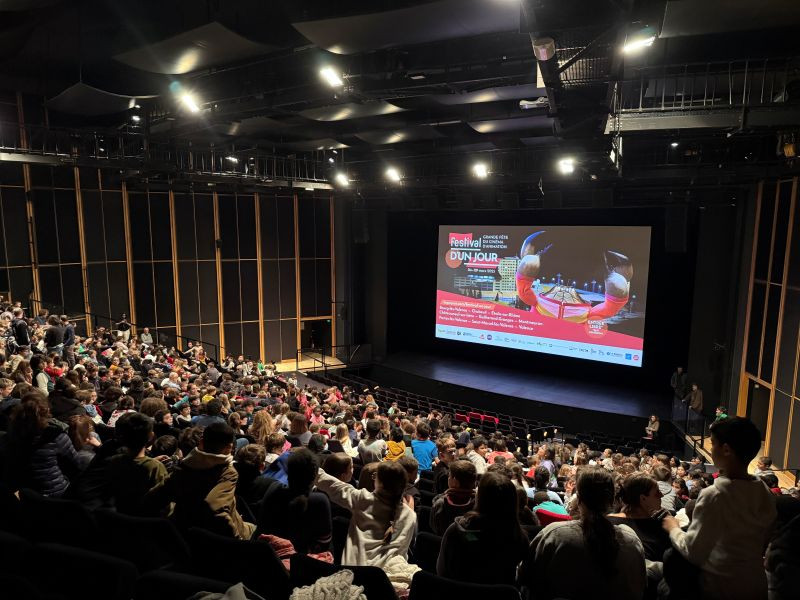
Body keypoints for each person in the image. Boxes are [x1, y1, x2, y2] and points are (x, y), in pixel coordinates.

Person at [662, 417, 777, 600]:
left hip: (721, 588)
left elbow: (693, 552)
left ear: (726, 450)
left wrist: (672, 527)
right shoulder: (765, 493)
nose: (710, 448)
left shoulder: (714, 495)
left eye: (713, 443)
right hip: (756, 584)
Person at [521, 467, 646, 600]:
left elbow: (526, 577)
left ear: (579, 500)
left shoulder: (554, 534)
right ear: (612, 500)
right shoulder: (632, 540)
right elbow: (640, 587)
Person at [148, 421, 256, 539]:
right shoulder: (227, 472)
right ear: (229, 447)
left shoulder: (185, 465)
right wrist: (236, 539)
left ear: (202, 442)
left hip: (183, 531)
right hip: (214, 536)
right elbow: (214, 507)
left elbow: (155, 496)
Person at [314, 459, 417, 571]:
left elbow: (330, 484)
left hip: (354, 573)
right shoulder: (410, 515)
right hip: (387, 579)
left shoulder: (362, 499)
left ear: (379, 483)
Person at [437, 471, 528, 586]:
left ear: (480, 497)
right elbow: (522, 579)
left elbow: (441, 571)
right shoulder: (519, 538)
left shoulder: (455, 531)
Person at [1, 391, 81, 497]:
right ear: (46, 410)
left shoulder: (9, 436)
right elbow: (76, 464)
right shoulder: (56, 435)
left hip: (24, 494)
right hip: (55, 494)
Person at [258, 447, 332, 553]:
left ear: (288, 472)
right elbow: (324, 542)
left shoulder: (274, 489)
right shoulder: (320, 500)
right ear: (314, 476)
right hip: (299, 562)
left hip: (269, 555)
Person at [106, 412, 168, 515]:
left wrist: (151, 461)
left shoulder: (113, 461)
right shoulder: (156, 467)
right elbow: (163, 502)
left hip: (119, 515)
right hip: (145, 520)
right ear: (151, 436)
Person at [608, 472, 672, 564]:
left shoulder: (607, 521)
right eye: (657, 493)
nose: (662, 495)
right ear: (643, 498)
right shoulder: (661, 525)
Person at [430, 459, 477, 535]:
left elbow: (434, 527)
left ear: (455, 482)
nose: (448, 478)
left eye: (449, 476)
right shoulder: (479, 503)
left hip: (444, 542)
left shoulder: (440, 503)